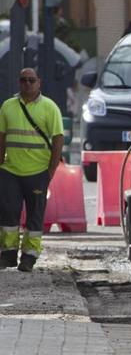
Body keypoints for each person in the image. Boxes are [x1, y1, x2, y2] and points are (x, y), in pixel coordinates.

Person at [0, 67, 65, 272]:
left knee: (35, 217)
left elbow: (58, 139)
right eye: (23, 80)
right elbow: (1, 137)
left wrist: (50, 171)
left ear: (39, 82)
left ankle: (29, 257)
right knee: (8, 214)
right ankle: (8, 254)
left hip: (38, 172)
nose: (27, 84)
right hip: (10, 170)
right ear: (19, 83)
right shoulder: (8, 106)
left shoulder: (50, 107)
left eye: (31, 80)